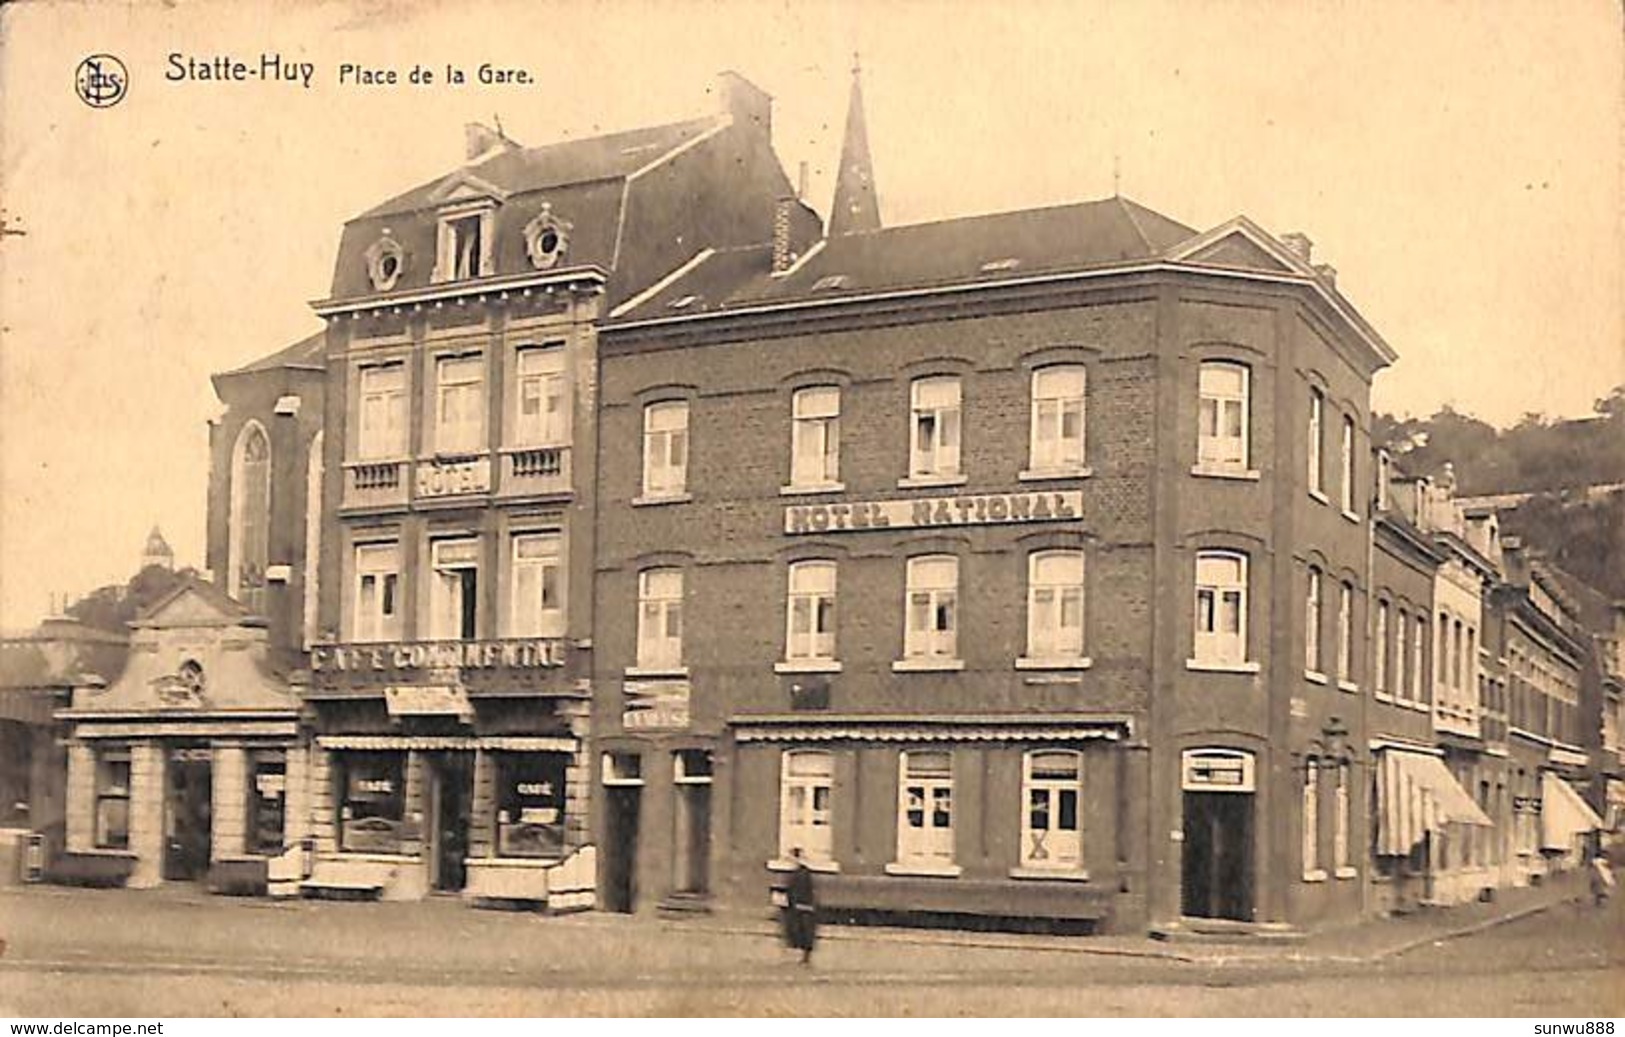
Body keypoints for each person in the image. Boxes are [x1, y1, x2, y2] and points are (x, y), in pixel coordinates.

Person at [782, 847, 819, 965]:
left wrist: (797, 903)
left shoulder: (802, 873)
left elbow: (803, 891)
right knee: (801, 932)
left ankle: (805, 958)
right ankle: (803, 957)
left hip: (803, 907)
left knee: (803, 932)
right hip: (801, 907)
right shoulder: (799, 873)